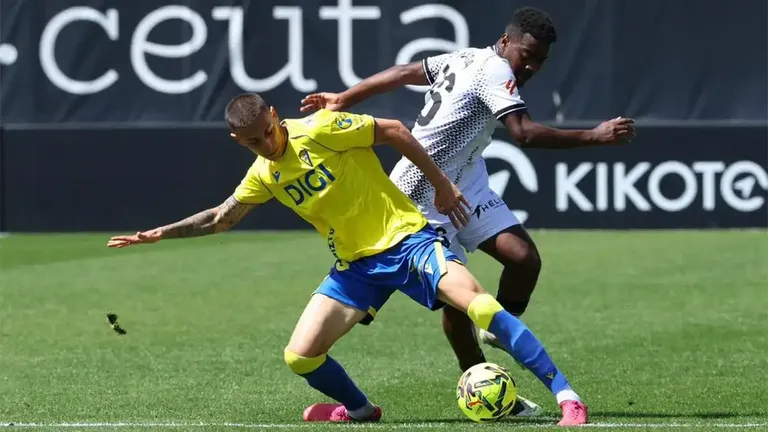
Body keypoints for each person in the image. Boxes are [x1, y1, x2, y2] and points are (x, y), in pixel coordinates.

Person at [107, 93, 588, 426]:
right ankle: (360, 412)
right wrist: (158, 235)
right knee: (299, 356)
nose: (266, 144)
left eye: (268, 132)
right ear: (239, 141)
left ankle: (566, 397)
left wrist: (440, 184)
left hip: (408, 241)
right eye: (253, 142)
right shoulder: (264, 175)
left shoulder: (320, 129)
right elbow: (221, 218)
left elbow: (395, 130)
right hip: (356, 268)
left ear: (275, 116)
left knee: (480, 306)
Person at [300, 5, 634, 416]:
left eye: (540, 61)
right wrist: (594, 137)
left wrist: (345, 96)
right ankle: (485, 388)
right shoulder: (494, 70)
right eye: (525, 55)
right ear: (506, 41)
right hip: (421, 194)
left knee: (523, 259)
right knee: (458, 305)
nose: (530, 66)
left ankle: (498, 327)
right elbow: (523, 134)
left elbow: (404, 71)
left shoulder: (465, 57)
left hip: (465, 181)